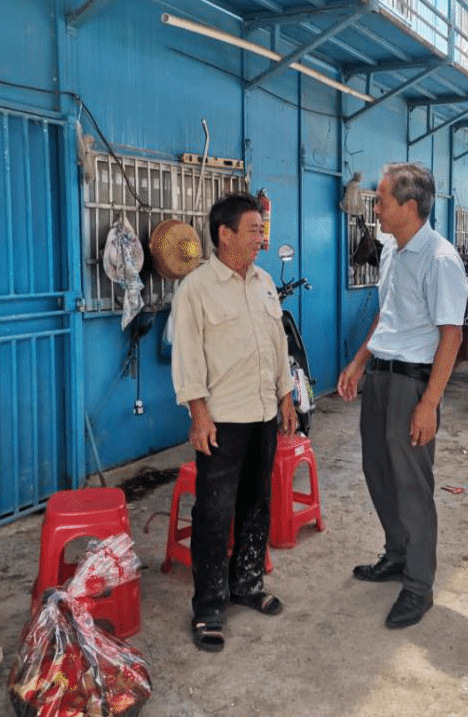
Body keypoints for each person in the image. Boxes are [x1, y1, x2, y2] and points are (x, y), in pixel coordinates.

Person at [336, 162, 468, 629]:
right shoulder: (393, 249)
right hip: (381, 376)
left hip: (413, 383)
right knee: (377, 472)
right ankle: (396, 554)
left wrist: (429, 403)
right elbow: (387, 313)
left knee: (412, 486)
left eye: (381, 201)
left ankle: (418, 586)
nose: (375, 209)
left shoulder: (440, 259)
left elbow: (451, 335)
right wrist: (358, 362)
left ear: (410, 207)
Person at [170, 191, 298, 652]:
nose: (262, 239)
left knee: (257, 504)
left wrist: (287, 397)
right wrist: (198, 414)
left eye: (262, 230)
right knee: (213, 513)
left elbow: (278, 344)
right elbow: (187, 357)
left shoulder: (264, 282)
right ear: (224, 235)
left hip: (264, 414)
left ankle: (246, 583)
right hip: (223, 420)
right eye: (253, 230)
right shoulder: (196, 288)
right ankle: (208, 606)